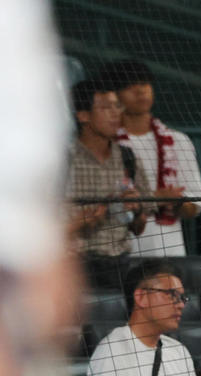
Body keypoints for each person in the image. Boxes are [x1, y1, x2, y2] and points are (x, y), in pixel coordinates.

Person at [98, 58, 201, 258]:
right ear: (112, 95)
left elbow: (196, 205)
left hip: (170, 252)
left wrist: (177, 202)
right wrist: (156, 198)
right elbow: (100, 206)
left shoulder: (178, 141)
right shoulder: (103, 144)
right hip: (117, 253)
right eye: (130, 85)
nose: (141, 91)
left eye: (145, 83)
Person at [66, 79, 145, 289]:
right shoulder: (61, 161)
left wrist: (136, 209)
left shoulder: (128, 158)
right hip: (74, 268)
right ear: (82, 115)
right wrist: (82, 221)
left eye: (117, 106)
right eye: (105, 107)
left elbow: (139, 228)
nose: (115, 113)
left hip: (119, 266)